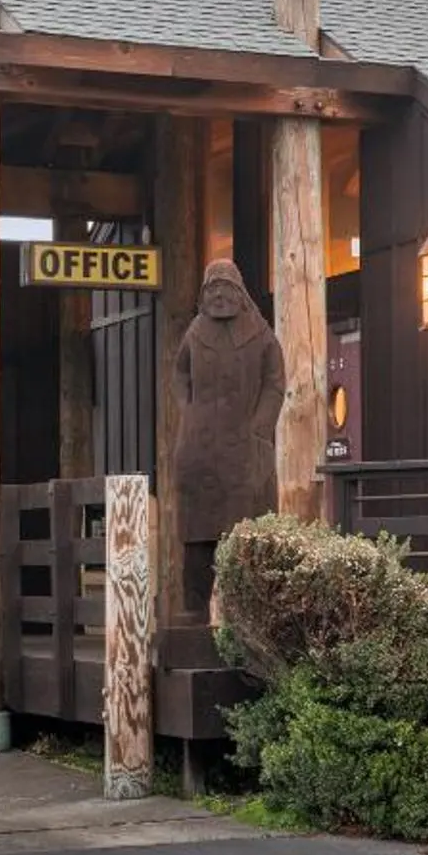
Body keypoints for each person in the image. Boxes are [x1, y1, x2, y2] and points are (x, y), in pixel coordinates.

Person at [173, 260, 282, 614]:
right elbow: (180, 375)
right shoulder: (194, 332)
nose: (219, 295)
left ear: (240, 291)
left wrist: (260, 429)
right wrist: (189, 414)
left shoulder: (261, 333)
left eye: (225, 287)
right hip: (199, 452)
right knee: (197, 541)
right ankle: (193, 617)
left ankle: (252, 622)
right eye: (212, 288)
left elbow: (274, 383)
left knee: (248, 540)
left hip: (245, 454)